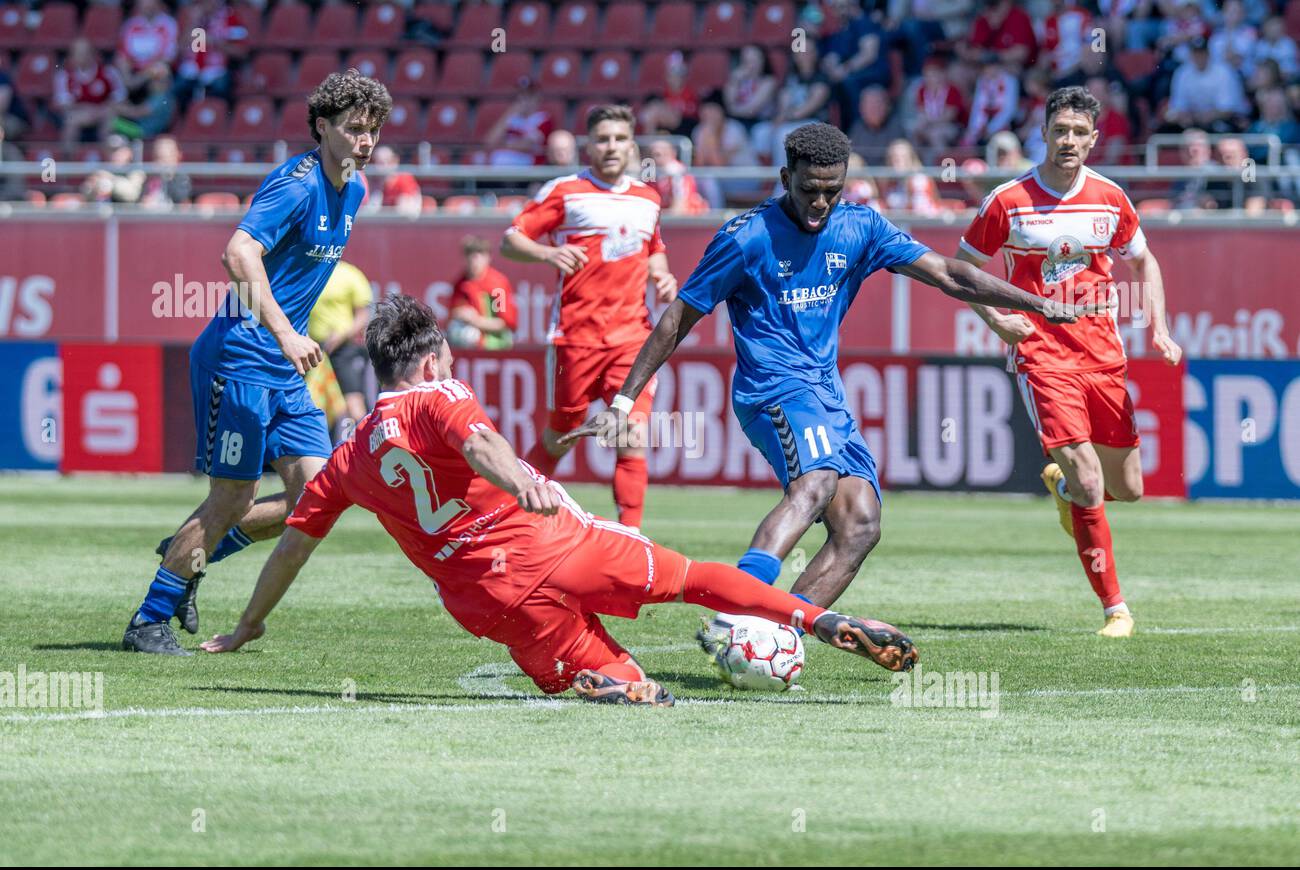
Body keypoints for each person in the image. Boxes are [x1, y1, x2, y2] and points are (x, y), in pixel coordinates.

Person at [199, 296, 920, 700]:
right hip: (559, 547)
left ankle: (613, 684)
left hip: (489, 603)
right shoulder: (437, 395)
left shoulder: (349, 457)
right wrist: (528, 483)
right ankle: (813, 617)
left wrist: (248, 625)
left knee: (639, 691)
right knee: (696, 580)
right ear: (426, 361)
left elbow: (293, 546)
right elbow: (480, 444)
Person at [561, 122, 1096, 615]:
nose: (820, 202)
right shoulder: (746, 237)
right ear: (784, 177)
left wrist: (1038, 303)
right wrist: (625, 401)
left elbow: (950, 274)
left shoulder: (860, 226)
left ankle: (776, 632)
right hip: (770, 389)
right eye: (808, 189)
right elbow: (680, 315)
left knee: (861, 525)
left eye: (832, 190)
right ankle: (738, 614)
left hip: (826, 395)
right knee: (815, 482)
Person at [121, 70, 392, 655]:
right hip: (240, 358)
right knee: (232, 500)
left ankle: (189, 553)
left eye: (373, 130)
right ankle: (148, 619)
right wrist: (284, 333)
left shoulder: (357, 188)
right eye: (353, 129)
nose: (365, 140)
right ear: (322, 127)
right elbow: (237, 251)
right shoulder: (295, 184)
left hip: (283, 367)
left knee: (317, 494)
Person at [955, 86, 1182, 639]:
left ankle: (1062, 490)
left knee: (1126, 489)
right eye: (1061, 131)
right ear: (1045, 133)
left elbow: (1144, 261)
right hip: (1042, 355)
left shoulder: (1110, 197)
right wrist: (995, 319)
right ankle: (1116, 610)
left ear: (1094, 139)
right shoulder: (1008, 201)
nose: (1070, 141)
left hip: (1104, 356)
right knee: (1088, 480)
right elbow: (962, 268)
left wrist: (1160, 326)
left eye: (1080, 133)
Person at [501, 104, 676, 532]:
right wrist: (547, 252)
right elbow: (510, 240)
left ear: (632, 145)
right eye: (602, 139)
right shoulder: (566, 191)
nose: (611, 146)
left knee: (630, 434)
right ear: (589, 145)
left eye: (619, 138)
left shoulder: (648, 198)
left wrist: (663, 275)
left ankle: (632, 536)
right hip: (575, 337)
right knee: (561, 433)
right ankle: (507, 516)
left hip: (633, 338)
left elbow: (653, 249)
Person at [308, 258, 374, 436]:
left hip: (343, 349)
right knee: (312, 401)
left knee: (354, 404)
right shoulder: (309, 271)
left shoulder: (350, 274)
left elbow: (363, 315)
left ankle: (362, 448)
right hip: (311, 349)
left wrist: (342, 334)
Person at [54, 37, 128, 149]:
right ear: (72, 56)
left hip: (104, 112)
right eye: (78, 53)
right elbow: (63, 104)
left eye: (85, 53)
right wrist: (87, 109)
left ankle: (108, 161)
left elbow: (120, 98)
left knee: (110, 120)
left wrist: (100, 110)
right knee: (71, 121)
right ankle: (67, 159)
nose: (82, 57)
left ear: (93, 54)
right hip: (80, 115)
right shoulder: (64, 76)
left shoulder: (108, 73)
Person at [448, 235, 518, 350]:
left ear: (488, 258)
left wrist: (476, 321)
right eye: (470, 257)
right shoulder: (461, 284)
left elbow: (504, 324)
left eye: (478, 257)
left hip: (496, 346)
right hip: (469, 346)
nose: (474, 262)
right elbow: (453, 314)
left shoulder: (497, 286)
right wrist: (460, 314)